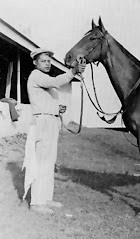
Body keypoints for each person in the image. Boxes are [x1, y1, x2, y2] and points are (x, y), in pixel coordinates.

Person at [23, 48, 86, 215]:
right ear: (35, 62)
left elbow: (46, 100)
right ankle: (36, 203)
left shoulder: (46, 82)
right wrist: (73, 71)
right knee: (41, 162)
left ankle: (46, 199)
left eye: (49, 61)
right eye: (43, 61)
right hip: (42, 122)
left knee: (49, 163)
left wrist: (58, 108)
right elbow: (56, 81)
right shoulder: (37, 76)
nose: (47, 63)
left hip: (51, 121)